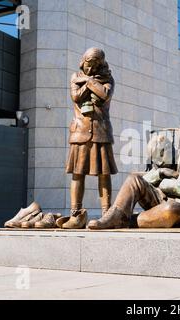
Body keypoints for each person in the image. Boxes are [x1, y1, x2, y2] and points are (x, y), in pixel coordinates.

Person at [88, 134, 180, 229]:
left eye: (161, 161)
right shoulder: (160, 166)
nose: (159, 164)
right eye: (157, 163)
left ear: (167, 149)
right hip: (161, 202)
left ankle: (127, 220)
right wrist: (160, 173)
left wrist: (162, 183)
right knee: (133, 179)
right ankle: (116, 215)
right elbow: (144, 180)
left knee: (170, 210)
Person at [62, 48, 118, 229]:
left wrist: (88, 80)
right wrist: (89, 82)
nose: (90, 68)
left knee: (104, 174)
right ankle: (76, 215)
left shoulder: (108, 79)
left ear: (100, 64)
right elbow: (76, 96)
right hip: (80, 132)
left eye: (94, 64)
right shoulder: (74, 77)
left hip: (101, 132)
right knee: (77, 174)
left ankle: (107, 214)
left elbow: (104, 94)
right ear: (82, 61)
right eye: (87, 63)